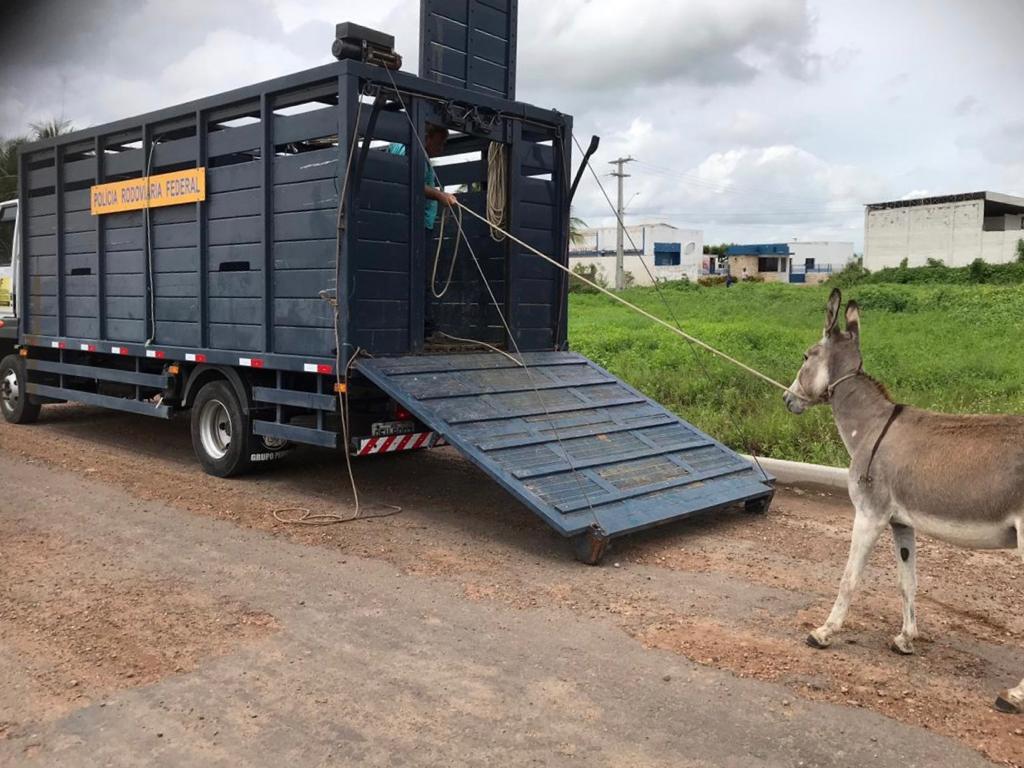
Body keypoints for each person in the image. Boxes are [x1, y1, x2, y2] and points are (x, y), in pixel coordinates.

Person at [387, 123, 456, 232]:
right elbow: (411, 181)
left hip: (407, 220)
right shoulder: (414, 154)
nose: (441, 149)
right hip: (415, 223)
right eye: (438, 144)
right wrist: (440, 195)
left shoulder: (400, 146)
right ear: (427, 138)